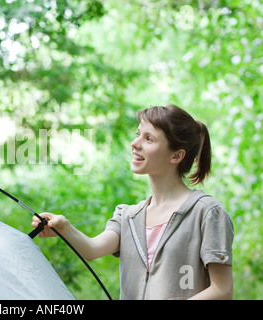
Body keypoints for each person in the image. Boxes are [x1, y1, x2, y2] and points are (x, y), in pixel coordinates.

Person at [32, 105, 234, 300]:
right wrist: (64, 228)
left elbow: (222, 290)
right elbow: (92, 250)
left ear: (177, 155)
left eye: (149, 139)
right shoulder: (128, 216)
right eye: (138, 134)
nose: (135, 144)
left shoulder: (206, 213)